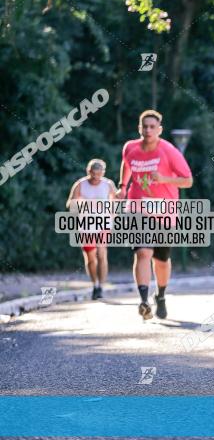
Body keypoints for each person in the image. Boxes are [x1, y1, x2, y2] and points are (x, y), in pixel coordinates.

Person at [118, 110, 193, 320]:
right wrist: (123, 186)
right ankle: (143, 301)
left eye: (152, 127)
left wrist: (163, 179)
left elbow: (188, 181)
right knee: (142, 252)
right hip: (137, 208)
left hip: (164, 210)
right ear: (139, 128)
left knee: (161, 260)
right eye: (145, 126)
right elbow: (127, 163)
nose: (148, 130)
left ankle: (160, 295)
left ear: (159, 130)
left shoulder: (169, 151)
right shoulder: (130, 148)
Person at [66, 159, 117, 300]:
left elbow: (115, 202)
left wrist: (112, 216)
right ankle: (94, 284)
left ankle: (101, 286)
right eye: (93, 175)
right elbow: (70, 204)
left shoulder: (108, 184)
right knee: (90, 258)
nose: (96, 178)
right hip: (86, 225)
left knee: (101, 254)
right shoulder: (80, 185)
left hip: (103, 224)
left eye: (99, 175)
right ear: (88, 172)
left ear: (103, 173)